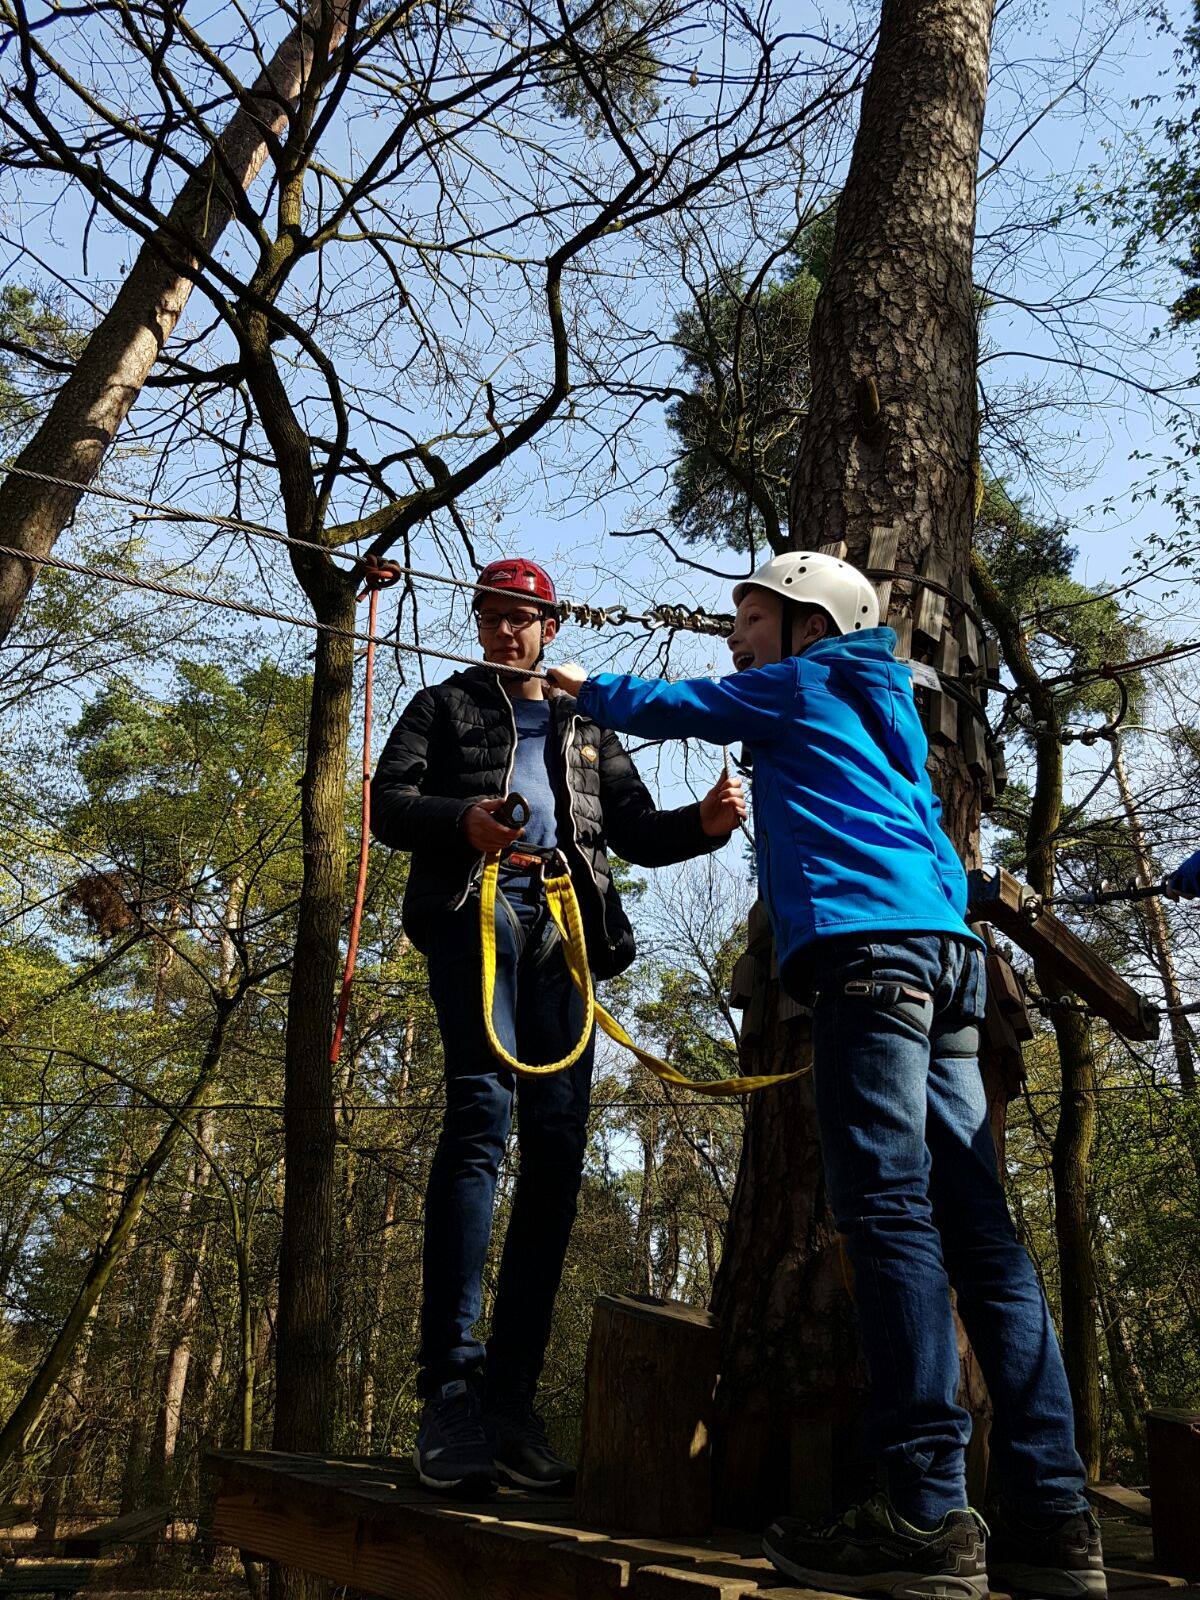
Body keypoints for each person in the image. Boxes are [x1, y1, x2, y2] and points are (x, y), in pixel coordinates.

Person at [548, 551, 1103, 1600]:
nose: (734, 636)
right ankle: (1054, 1514)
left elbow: (689, 704)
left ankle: (925, 1511)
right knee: (980, 1230)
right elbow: (935, 858)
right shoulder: (881, 714)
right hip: (944, 962)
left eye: (749, 616)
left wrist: (586, 690)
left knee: (890, 1212)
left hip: (869, 958)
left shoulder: (805, 680)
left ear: (809, 623)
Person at [370, 557, 746, 1499]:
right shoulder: (443, 705)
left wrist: (700, 823)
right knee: (477, 1122)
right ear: (479, 622)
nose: (507, 631)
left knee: (558, 1143)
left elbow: (630, 830)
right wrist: (466, 820)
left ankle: (510, 1401)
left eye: (523, 618)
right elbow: (387, 805)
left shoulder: (585, 722)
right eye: (492, 615)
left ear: (551, 626)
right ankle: (449, 1395)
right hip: (479, 912)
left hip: (569, 930)